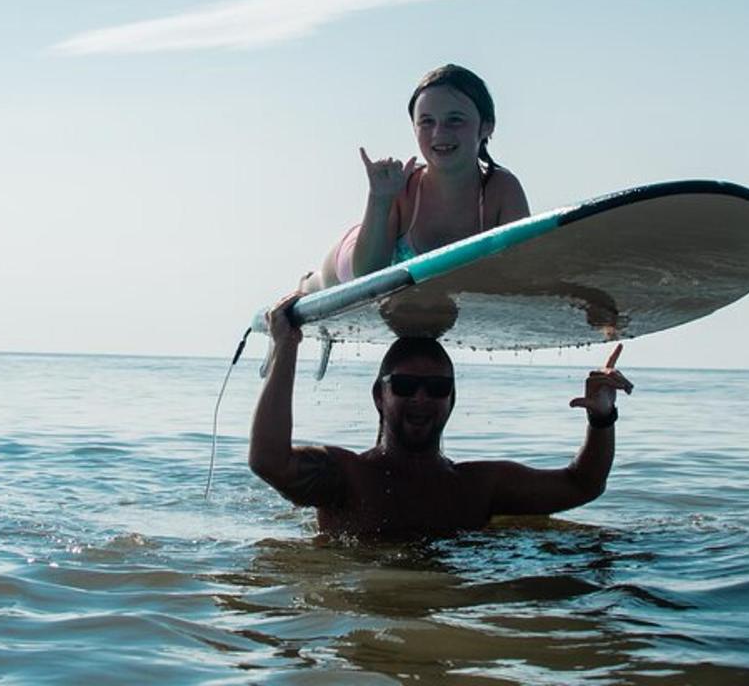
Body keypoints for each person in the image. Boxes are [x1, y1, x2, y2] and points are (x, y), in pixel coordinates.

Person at [249, 293, 634, 539]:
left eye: (436, 389)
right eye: (404, 386)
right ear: (379, 396)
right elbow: (268, 460)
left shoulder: (475, 486)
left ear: (451, 399)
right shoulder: (346, 477)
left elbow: (582, 485)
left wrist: (601, 418)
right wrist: (287, 346)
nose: (421, 398)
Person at [301, 64, 531, 292]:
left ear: (486, 127)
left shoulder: (502, 190)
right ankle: (307, 281)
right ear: (414, 127)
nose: (439, 133)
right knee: (321, 284)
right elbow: (366, 274)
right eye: (427, 122)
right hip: (356, 257)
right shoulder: (403, 188)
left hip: (430, 291)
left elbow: (523, 271)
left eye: (455, 119)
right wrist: (380, 199)